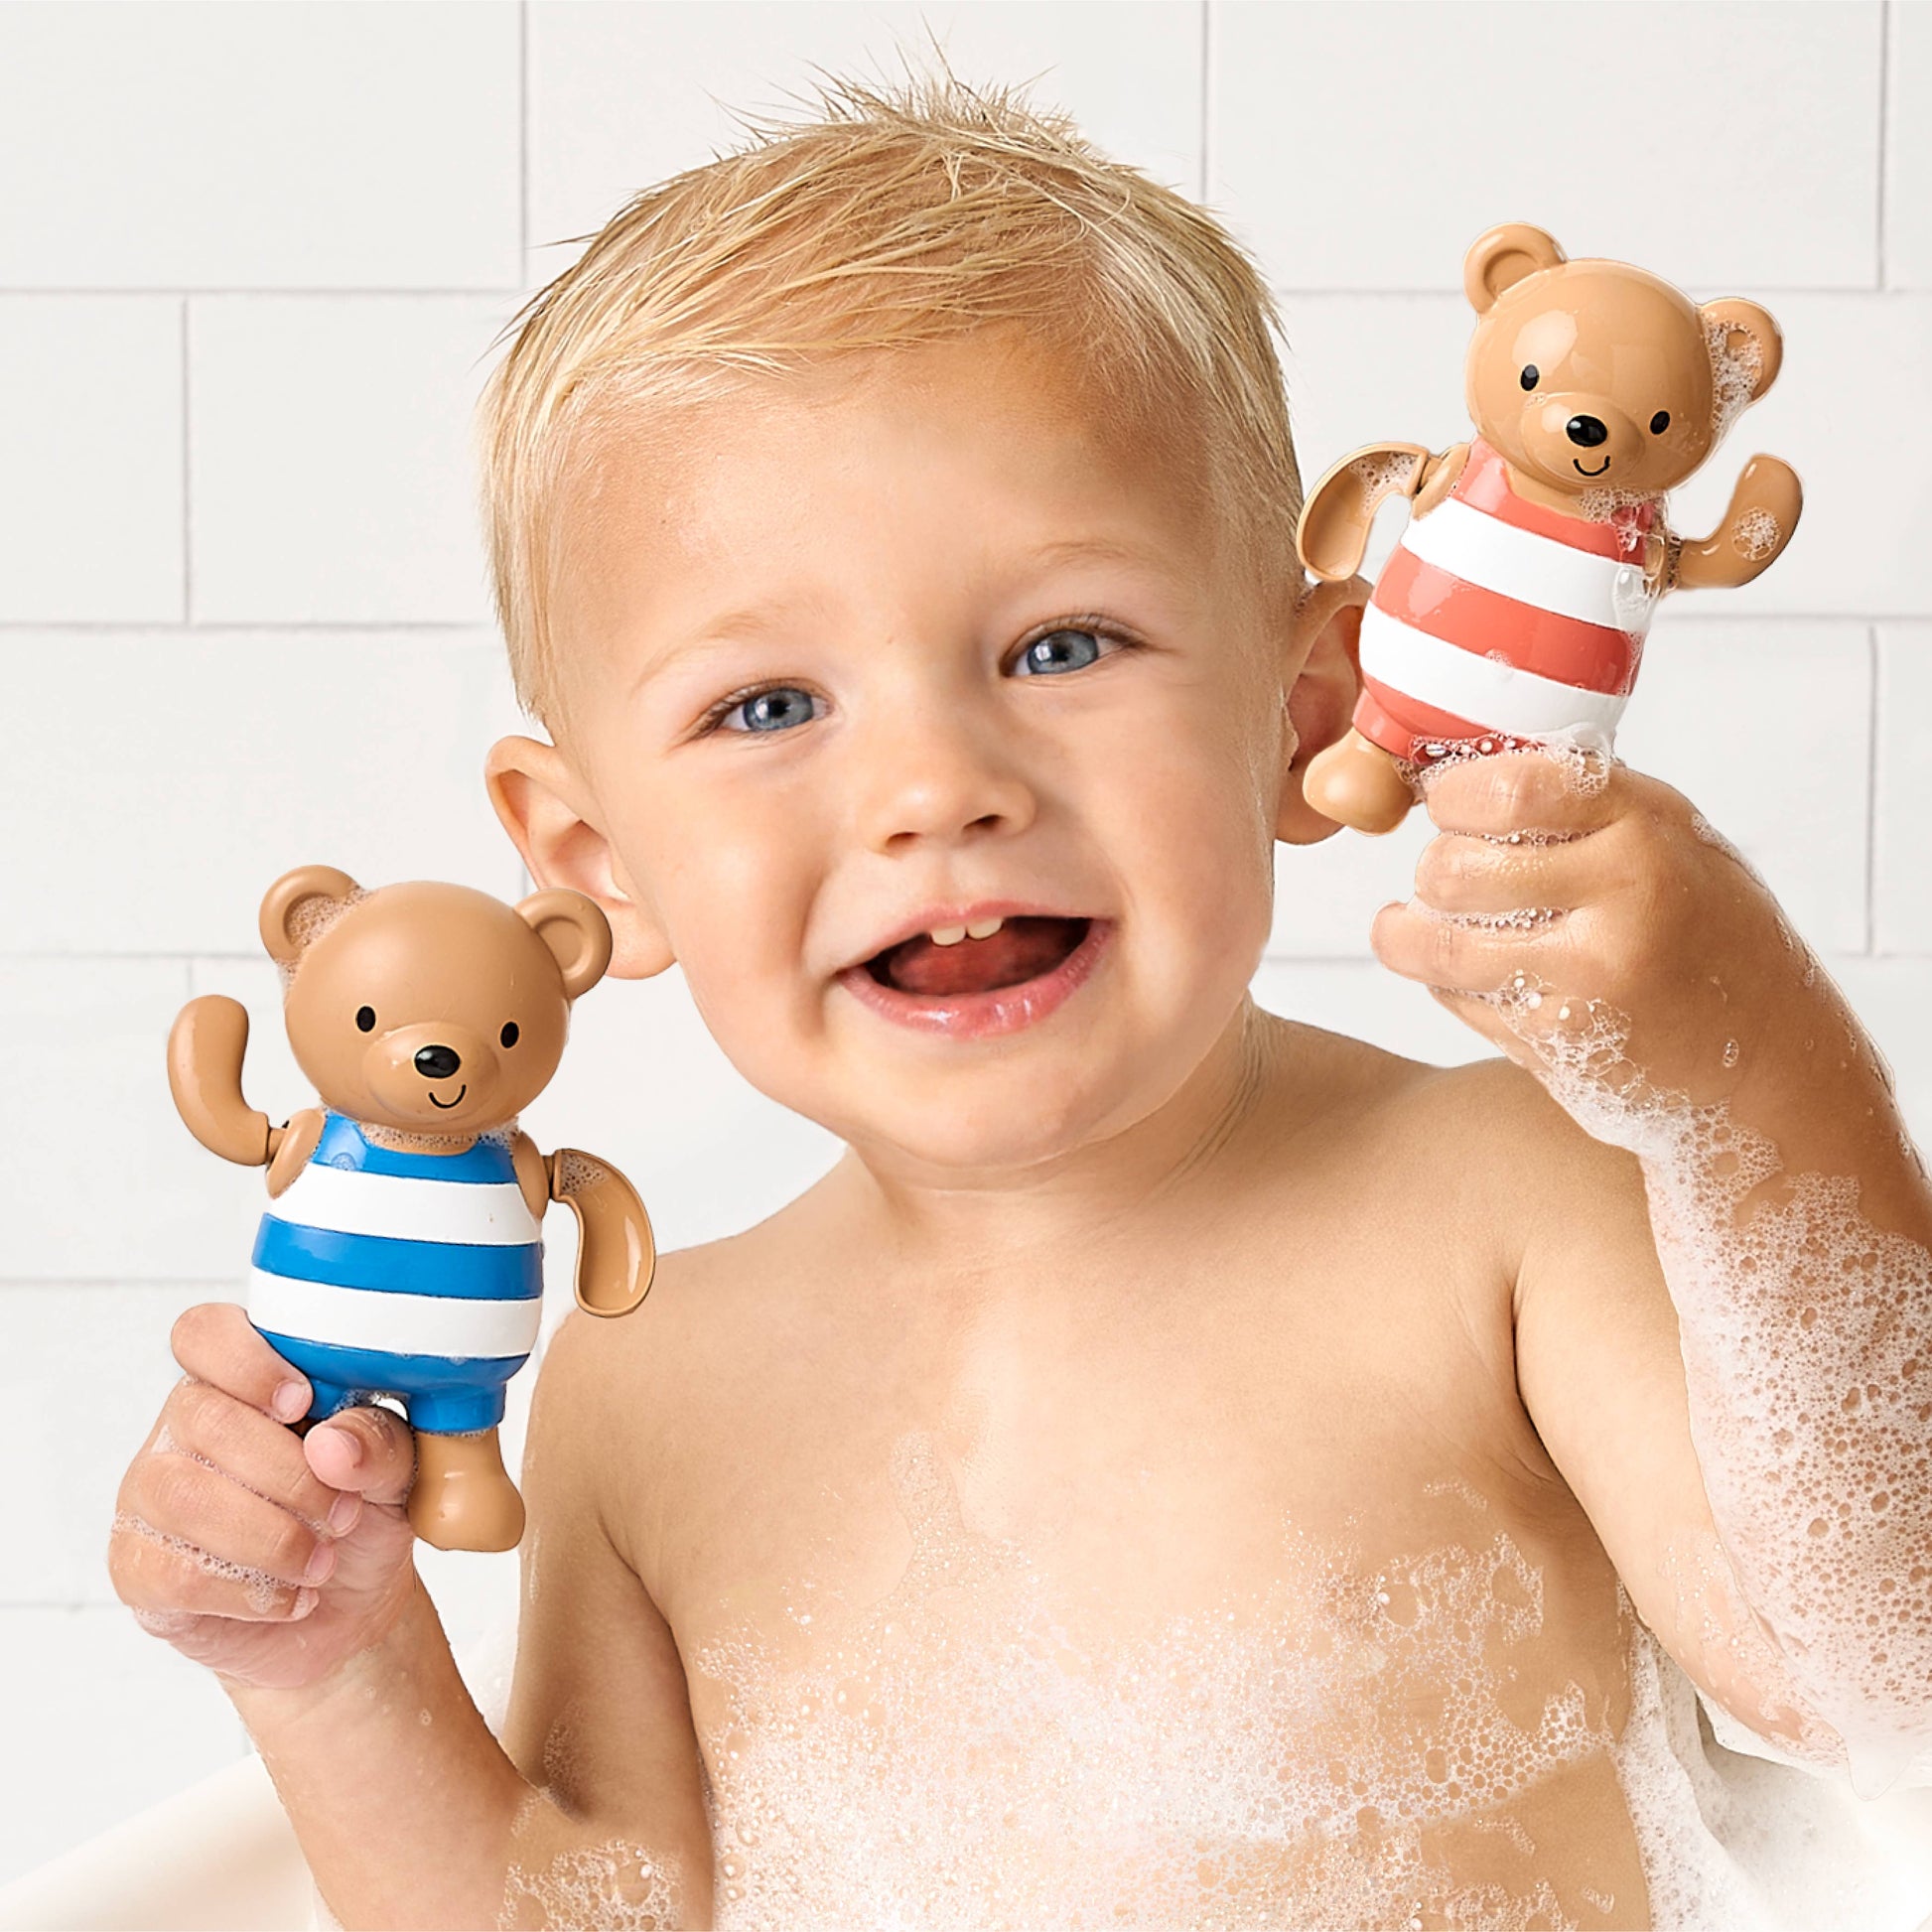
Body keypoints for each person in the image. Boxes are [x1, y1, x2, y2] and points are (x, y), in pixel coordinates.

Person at [107, 75, 1931, 1929]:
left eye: (1061, 646)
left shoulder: (1494, 1199)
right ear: (595, 858)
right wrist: (332, 1665)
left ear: (1308, 710)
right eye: (767, 707)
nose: (935, 785)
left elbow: (1867, 1667)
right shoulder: (650, 1382)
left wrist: (1748, 1070)